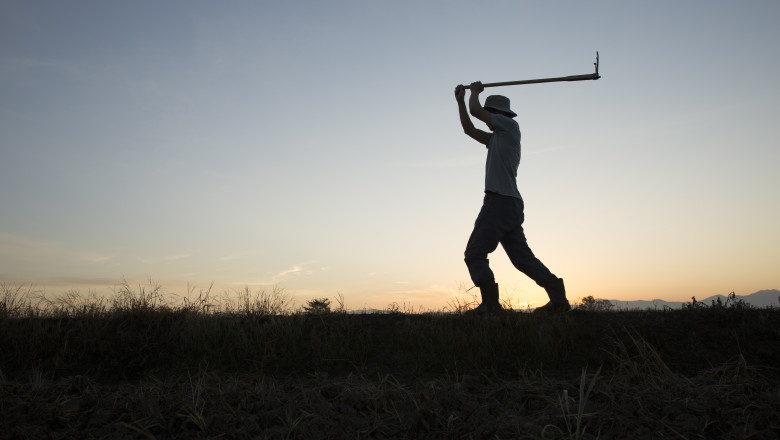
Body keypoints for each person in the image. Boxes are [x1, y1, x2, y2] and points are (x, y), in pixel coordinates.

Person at [454, 81, 570, 314]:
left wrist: (474, 92)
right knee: (522, 258)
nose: (488, 118)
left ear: (499, 115)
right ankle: (558, 297)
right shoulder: (497, 138)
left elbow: (477, 112)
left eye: (490, 113)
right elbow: (469, 129)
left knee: (475, 253)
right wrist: (460, 102)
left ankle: (490, 305)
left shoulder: (509, 126)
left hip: (499, 201)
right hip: (510, 203)